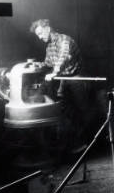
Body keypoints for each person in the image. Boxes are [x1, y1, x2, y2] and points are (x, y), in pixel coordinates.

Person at [30, 19, 87, 154]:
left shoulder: (64, 40)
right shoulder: (49, 47)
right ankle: (71, 145)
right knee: (65, 111)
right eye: (37, 35)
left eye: (40, 33)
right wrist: (36, 65)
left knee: (80, 110)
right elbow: (48, 63)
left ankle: (85, 144)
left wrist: (54, 73)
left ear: (47, 28)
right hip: (63, 79)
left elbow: (63, 58)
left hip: (76, 78)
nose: (39, 37)